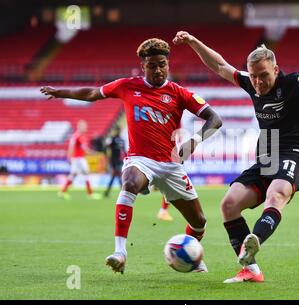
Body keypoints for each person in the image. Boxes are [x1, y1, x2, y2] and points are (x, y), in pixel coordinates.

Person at [173, 31, 299, 283]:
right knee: (229, 204)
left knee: (276, 194)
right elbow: (220, 65)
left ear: (276, 70)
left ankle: (254, 239)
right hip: (267, 154)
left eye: (264, 75)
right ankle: (251, 270)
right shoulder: (251, 82)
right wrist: (193, 42)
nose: (258, 82)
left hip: (294, 152)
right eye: (254, 76)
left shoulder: (290, 84)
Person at [41, 37, 222, 274]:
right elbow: (93, 93)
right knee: (129, 182)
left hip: (170, 165)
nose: (158, 69)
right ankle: (120, 252)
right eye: (152, 65)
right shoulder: (128, 86)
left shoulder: (179, 93)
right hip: (140, 159)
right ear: (143, 66)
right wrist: (61, 92)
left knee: (199, 222)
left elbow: (215, 119)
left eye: (162, 64)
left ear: (168, 64)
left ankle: (192, 253)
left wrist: (194, 140)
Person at [58, 119, 97, 200]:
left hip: (76, 158)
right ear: (79, 126)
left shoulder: (75, 135)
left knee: (73, 175)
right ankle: (90, 194)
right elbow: (84, 148)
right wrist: (92, 152)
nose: (86, 128)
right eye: (84, 126)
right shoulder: (79, 136)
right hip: (79, 158)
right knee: (85, 173)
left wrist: (69, 157)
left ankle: (62, 192)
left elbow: (71, 147)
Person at [103, 125, 126, 198]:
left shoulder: (122, 140)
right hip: (113, 161)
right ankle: (123, 192)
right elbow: (105, 148)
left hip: (120, 161)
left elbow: (124, 151)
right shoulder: (112, 139)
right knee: (119, 176)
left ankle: (106, 192)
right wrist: (107, 157)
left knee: (114, 176)